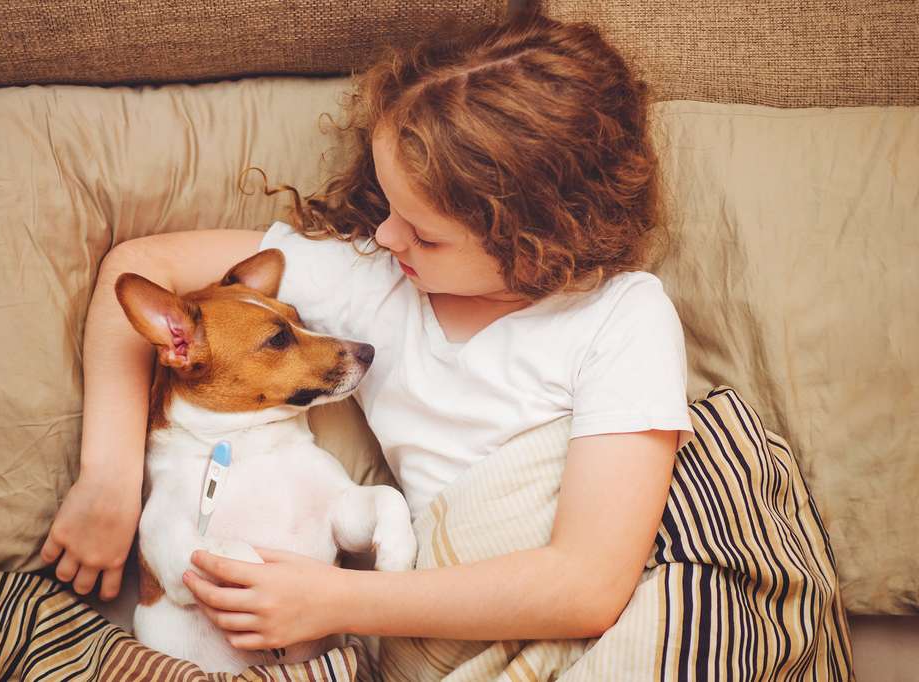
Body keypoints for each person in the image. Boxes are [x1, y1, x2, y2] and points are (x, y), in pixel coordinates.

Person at [40, 7, 694, 651]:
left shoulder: (624, 315)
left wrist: (334, 602)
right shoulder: (372, 280)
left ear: (533, 239)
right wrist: (111, 479)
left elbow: (586, 584)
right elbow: (142, 265)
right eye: (388, 205)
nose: (384, 235)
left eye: (425, 233)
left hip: (553, 610)